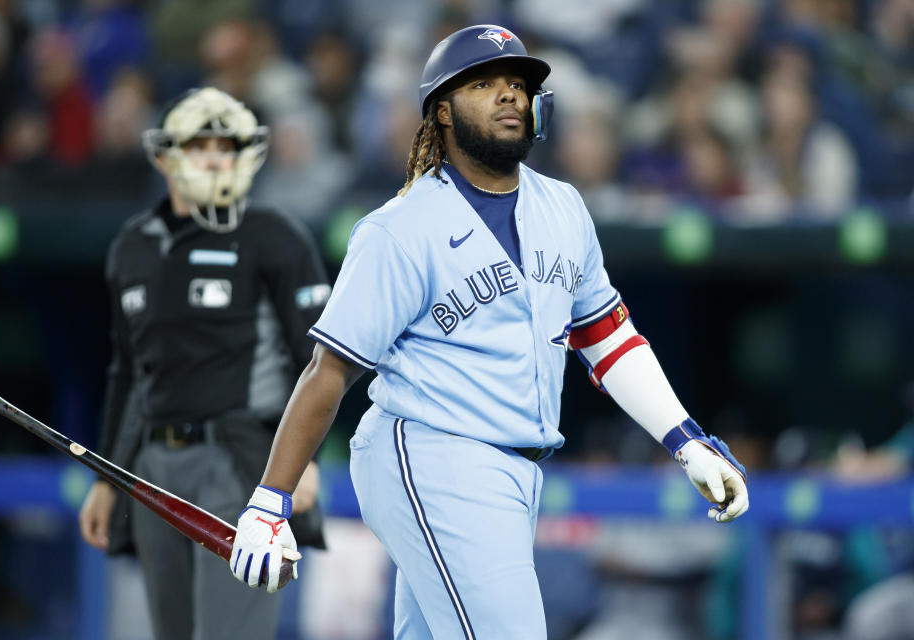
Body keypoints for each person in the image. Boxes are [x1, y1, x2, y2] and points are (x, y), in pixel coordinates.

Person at [228, 25, 749, 639]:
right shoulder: (399, 229)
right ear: (442, 112)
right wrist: (271, 498)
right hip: (432, 454)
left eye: (517, 84)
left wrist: (687, 441)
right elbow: (330, 370)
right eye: (484, 83)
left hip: (516, 470)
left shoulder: (563, 208)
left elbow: (608, 338)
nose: (509, 95)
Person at [77, 87, 329, 640]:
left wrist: (300, 464)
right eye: (201, 145)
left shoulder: (274, 235)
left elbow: (324, 362)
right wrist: (105, 479)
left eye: (228, 145)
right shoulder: (132, 246)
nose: (217, 158)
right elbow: (127, 372)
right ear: (165, 156)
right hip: (153, 466)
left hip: (241, 464)